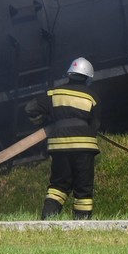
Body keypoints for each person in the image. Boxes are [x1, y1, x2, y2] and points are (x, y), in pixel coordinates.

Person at [25, 56, 101, 220]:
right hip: (84, 148)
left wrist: (43, 122)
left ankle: (47, 222)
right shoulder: (91, 97)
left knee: (58, 186)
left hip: (59, 146)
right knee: (83, 189)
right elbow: (95, 125)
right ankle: (82, 224)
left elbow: (30, 108)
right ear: (88, 78)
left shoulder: (53, 92)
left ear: (69, 74)